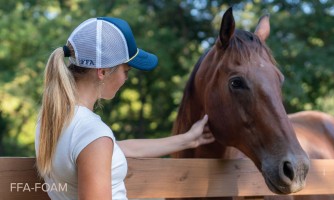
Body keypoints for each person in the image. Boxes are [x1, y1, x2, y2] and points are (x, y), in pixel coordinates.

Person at [35, 17, 215, 200]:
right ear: (102, 71)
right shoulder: (91, 132)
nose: (126, 79)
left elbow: (113, 149)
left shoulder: (53, 119)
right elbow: (98, 147)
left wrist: (188, 139)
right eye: (126, 71)